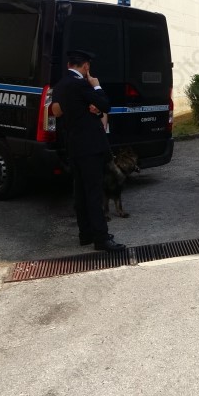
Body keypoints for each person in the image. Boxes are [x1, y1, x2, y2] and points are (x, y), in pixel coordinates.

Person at [51, 49, 125, 251]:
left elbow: (57, 110)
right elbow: (106, 105)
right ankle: (101, 238)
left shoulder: (61, 85)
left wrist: (84, 109)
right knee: (93, 193)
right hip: (90, 147)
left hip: (74, 145)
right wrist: (97, 86)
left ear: (68, 65)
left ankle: (85, 234)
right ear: (86, 66)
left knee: (80, 192)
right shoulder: (81, 84)